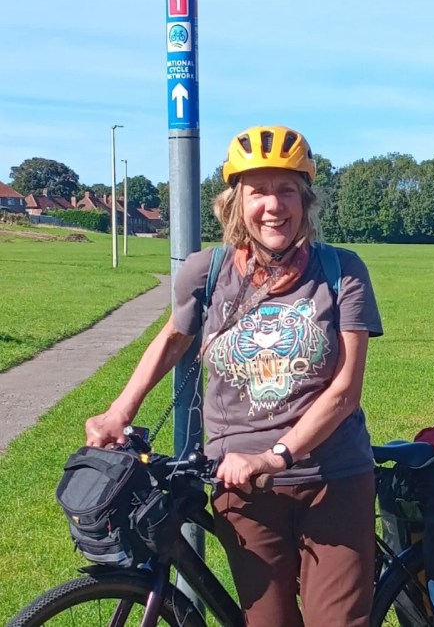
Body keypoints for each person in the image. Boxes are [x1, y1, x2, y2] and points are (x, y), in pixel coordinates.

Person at [85, 125, 383, 626]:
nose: (274, 205)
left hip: (331, 478)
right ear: (236, 201)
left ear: (305, 200)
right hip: (240, 488)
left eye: (286, 189)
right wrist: (121, 411)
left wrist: (275, 455)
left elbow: (345, 391)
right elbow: (174, 338)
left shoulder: (341, 272)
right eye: (259, 190)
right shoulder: (207, 271)